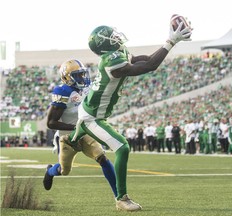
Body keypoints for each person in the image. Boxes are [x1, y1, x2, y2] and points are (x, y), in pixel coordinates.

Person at [60, 21, 192, 211]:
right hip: (92, 117)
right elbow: (149, 66)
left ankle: (72, 140)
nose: (116, 37)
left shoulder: (117, 54)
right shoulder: (111, 63)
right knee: (122, 147)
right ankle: (121, 198)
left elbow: (144, 59)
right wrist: (171, 42)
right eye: (111, 36)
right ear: (103, 44)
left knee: (88, 131)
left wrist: (168, 44)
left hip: (89, 108)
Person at [43, 59, 117, 199]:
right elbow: (51, 123)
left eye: (83, 74)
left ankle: (119, 196)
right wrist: (76, 127)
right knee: (64, 170)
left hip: (85, 132)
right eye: (78, 75)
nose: (82, 78)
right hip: (67, 137)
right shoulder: (63, 92)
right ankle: (50, 171)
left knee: (102, 158)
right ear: (67, 77)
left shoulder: (87, 88)